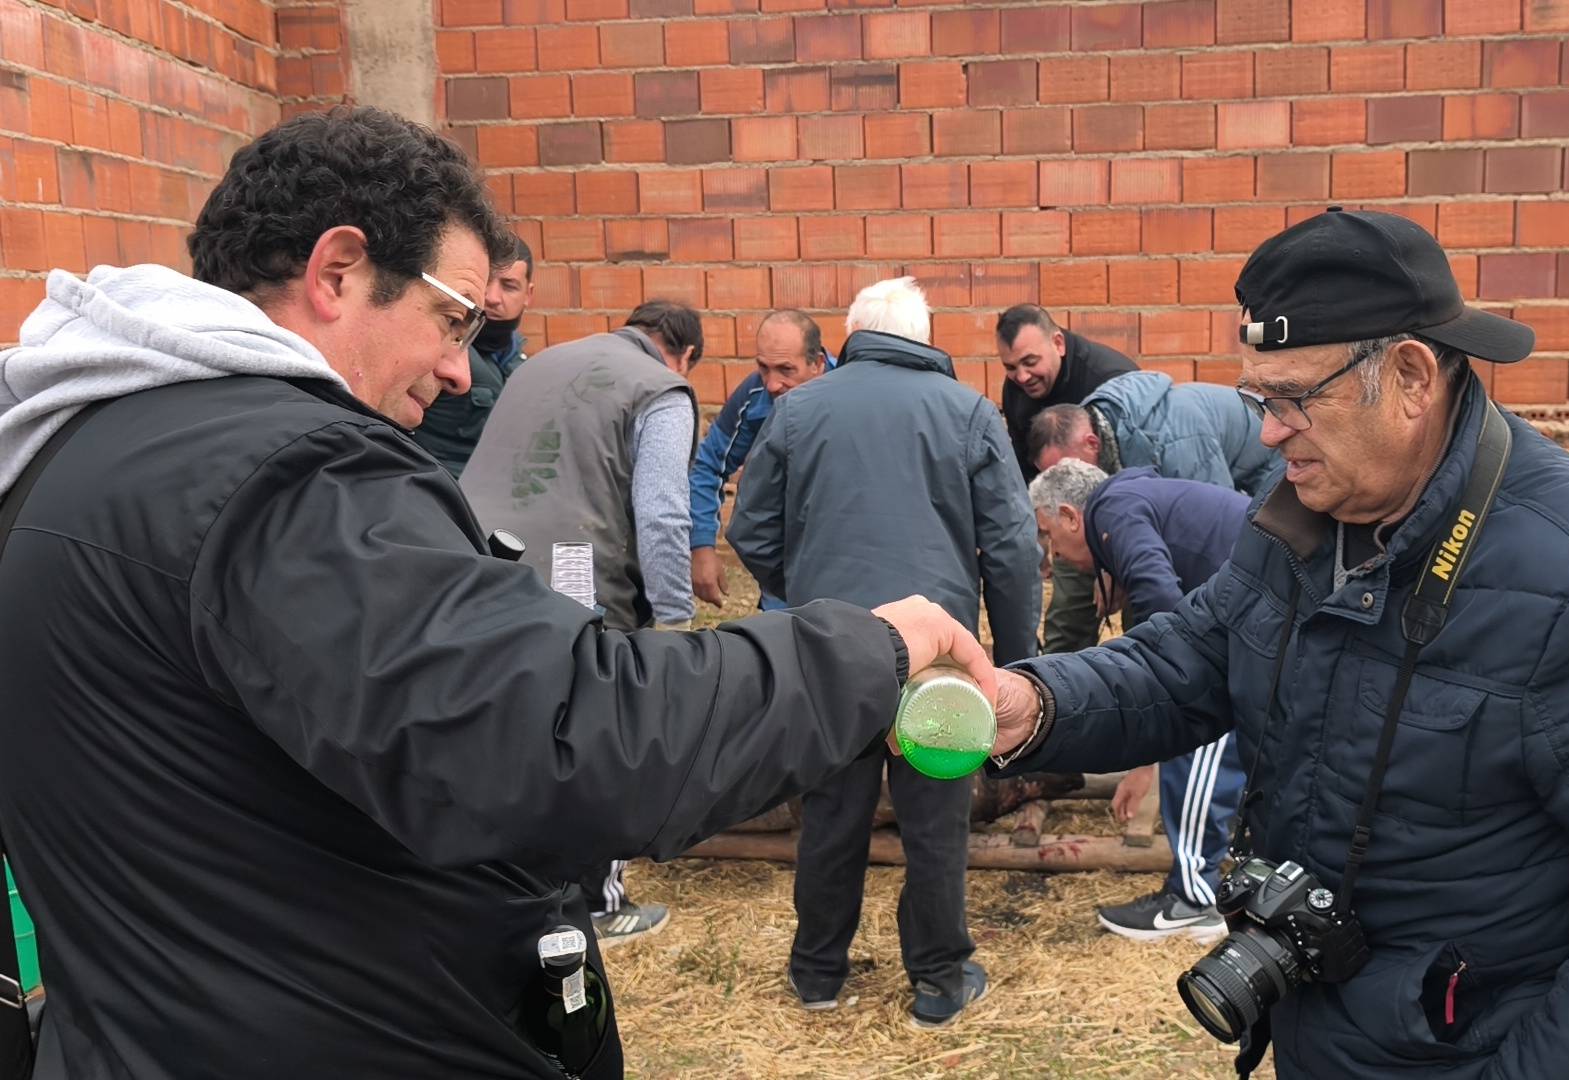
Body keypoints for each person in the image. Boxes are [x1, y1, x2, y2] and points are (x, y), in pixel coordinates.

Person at [0, 106, 992, 1079]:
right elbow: (571, 738)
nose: (460, 370)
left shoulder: (79, 460)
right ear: (337, 273)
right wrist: (870, 648)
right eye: (450, 317)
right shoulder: (283, 481)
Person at [987, 210, 1569, 1078]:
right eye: (1259, 399)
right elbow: (1184, 660)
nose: (1265, 432)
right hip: (1321, 1031)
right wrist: (1030, 704)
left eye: (1292, 398)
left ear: (1410, 377)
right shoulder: (1303, 521)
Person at [729, 277, 1041, 1028]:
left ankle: (816, 975)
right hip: (933, 659)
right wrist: (1016, 661)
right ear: (923, 334)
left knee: (831, 808)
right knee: (935, 814)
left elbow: (750, 530)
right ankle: (938, 978)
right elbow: (1011, 547)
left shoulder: (799, 408)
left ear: (854, 333)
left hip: (828, 644)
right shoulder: (966, 410)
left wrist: (799, 591)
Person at [462, 297, 706, 944]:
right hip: (574, 572)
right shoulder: (662, 388)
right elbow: (661, 511)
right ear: (683, 354)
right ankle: (598, 903)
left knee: (508, 735)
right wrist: (675, 623)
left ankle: (502, 889)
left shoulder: (544, 362)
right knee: (600, 731)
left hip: (477, 563)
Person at [1027, 459, 1250, 944]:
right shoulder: (1128, 501)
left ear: (1069, 515)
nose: (1054, 554)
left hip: (1256, 617)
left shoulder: (1114, 511)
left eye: (1048, 534)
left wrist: (1152, 743)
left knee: (1202, 734)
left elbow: (1163, 604)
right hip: (1260, 606)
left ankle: (1195, 899)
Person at [996, 304, 1138, 657]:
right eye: (1011, 367)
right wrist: (1037, 537)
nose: (1022, 376)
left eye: (1030, 362)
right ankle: (1061, 696)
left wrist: (1116, 566)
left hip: (1133, 520)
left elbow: (1142, 481)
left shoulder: (1111, 378)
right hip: (1071, 523)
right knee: (1068, 619)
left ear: (1058, 343)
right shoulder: (1017, 391)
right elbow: (1024, 473)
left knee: (1146, 613)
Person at [688, 309, 834, 610]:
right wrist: (702, 546)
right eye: (763, 368)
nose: (772, 383)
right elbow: (709, 465)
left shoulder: (850, 395)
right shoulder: (755, 395)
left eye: (785, 369)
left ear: (817, 364)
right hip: (784, 567)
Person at [1027, 370, 1283, 500]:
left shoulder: (1173, 441)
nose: (1064, 480)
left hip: (1277, 457)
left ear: (1091, 443)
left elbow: (1219, 518)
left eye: (1065, 469)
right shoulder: (1105, 428)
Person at [413, 234, 535, 477]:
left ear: (528, 295)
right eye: (487, 282)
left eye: (509, 286)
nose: (492, 297)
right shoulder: (435, 349)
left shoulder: (520, 363)